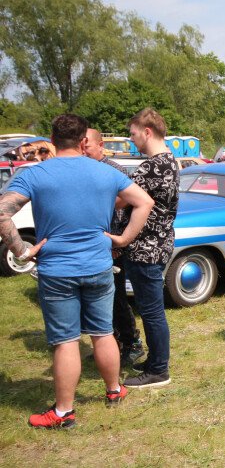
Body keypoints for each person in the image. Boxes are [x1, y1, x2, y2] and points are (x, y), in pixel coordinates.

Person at [0, 114, 153, 428]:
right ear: (84, 141)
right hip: (98, 265)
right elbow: (144, 202)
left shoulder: (36, 172)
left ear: (53, 141)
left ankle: (63, 412)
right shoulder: (104, 172)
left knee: (66, 340)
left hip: (57, 270)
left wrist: (22, 251)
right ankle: (114, 390)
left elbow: (3, 213)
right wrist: (122, 239)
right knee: (103, 332)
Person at [123, 108, 180, 389]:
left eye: (133, 134)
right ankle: (155, 361)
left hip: (146, 249)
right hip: (158, 245)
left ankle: (158, 370)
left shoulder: (152, 165)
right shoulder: (169, 161)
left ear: (147, 132)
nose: (131, 139)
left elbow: (122, 200)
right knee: (150, 309)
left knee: (152, 311)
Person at [84, 129, 144, 367]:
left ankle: (132, 343)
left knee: (116, 298)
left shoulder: (114, 170)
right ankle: (110, 343)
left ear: (100, 146)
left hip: (112, 247)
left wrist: (117, 242)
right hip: (91, 246)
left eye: (86, 146)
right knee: (96, 300)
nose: (82, 150)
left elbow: (129, 208)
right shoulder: (83, 172)